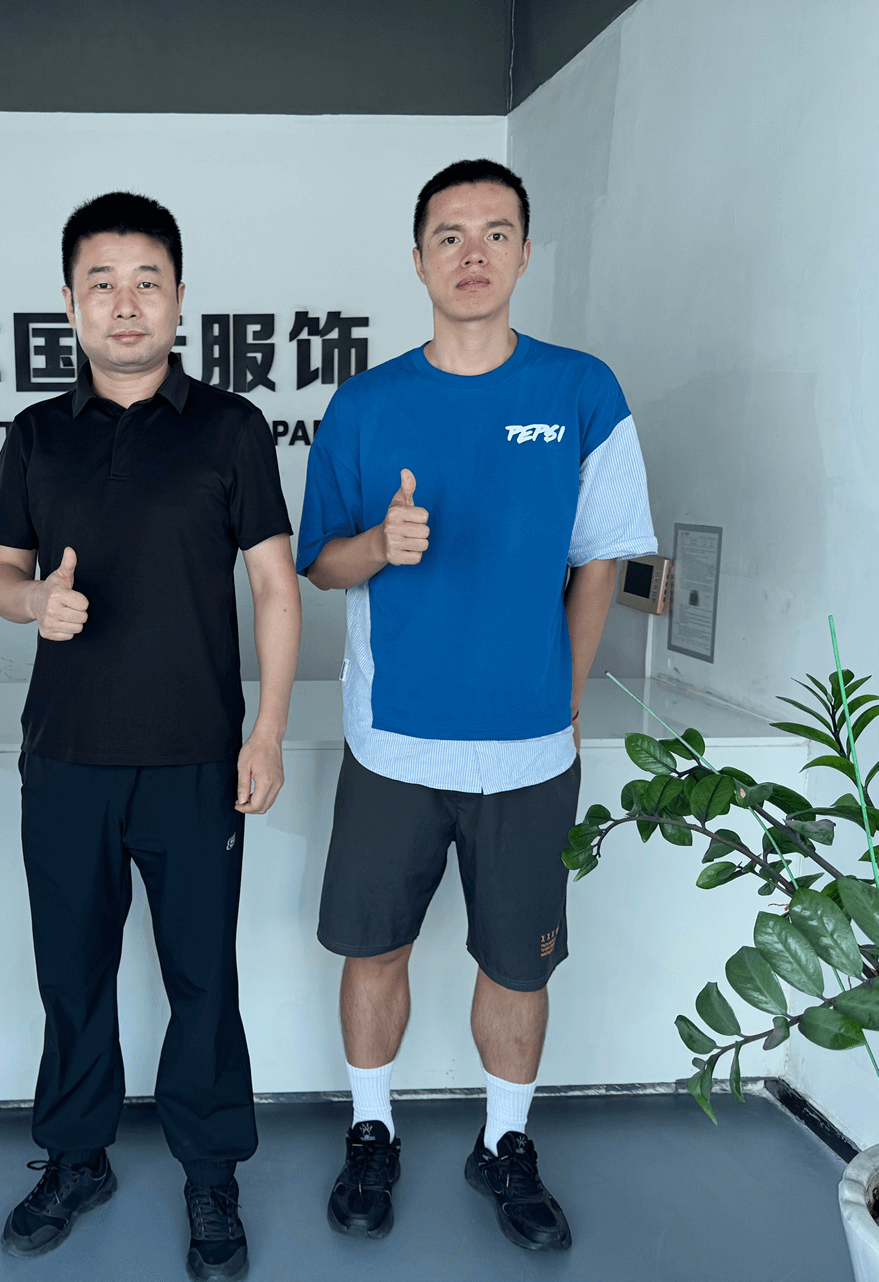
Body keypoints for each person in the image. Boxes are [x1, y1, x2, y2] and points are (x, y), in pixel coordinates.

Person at [297, 159, 656, 1253]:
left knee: (517, 963)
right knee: (375, 952)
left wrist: (566, 690)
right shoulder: (365, 404)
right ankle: (372, 1131)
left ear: (525, 254)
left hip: (531, 751)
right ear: (418, 260)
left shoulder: (581, 391)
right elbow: (320, 563)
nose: (472, 253)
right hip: (393, 743)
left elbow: (601, 560)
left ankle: (505, 1143)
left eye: (496, 232)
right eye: (449, 235)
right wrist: (379, 544)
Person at [0, 191, 301, 1282]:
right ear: (70, 303)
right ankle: (77, 1158)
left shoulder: (231, 428)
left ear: (179, 299)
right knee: (72, 974)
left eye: (146, 282)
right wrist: (34, 603)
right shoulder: (38, 434)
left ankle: (211, 1172)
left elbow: (275, 585)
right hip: (66, 756)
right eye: (102, 284)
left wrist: (268, 731)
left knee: (202, 977)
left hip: (197, 759)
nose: (125, 303)